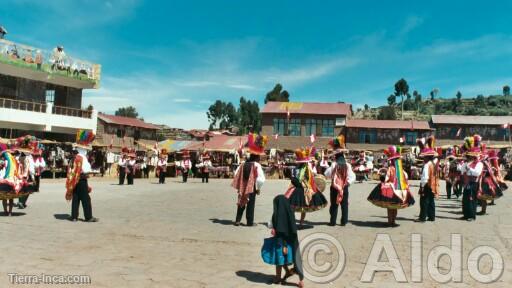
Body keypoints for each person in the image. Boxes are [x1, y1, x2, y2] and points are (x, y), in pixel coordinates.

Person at [262, 195, 304, 287]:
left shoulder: (279, 214)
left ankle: (278, 277)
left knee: (279, 259)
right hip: (292, 241)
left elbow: (281, 230)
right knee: (294, 259)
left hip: (281, 241)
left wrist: (284, 245)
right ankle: (299, 279)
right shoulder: (289, 211)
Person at [367, 146, 415, 227]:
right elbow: (406, 178)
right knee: (395, 206)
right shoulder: (401, 170)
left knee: (390, 207)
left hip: (391, 190)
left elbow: (386, 178)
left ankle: (390, 221)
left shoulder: (391, 168)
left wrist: (382, 178)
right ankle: (393, 221)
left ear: (392, 160)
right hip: (400, 190)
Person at [285, 147, 328, 228]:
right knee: (301, 208)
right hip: (302, 188)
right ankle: (299, 223)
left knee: (294, 206)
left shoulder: (303, 169)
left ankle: (295, 223)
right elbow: (309, 178)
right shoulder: (305, 168)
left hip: (300, 188)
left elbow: (300, 178)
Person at [232, 133, 266, 227]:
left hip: (243, 186)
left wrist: (241, 183)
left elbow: (236, 174)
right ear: (257, 157)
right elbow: (261, 179)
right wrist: (258, 187)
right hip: (252, 187)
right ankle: (249, 222)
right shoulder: (256, 165)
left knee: (241, 202)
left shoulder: (243, 164)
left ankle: (237, 220)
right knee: (250, 204)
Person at [325, 135, 356, 226]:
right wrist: (347, 183)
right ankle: (344, 221)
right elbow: (352, 177)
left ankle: (333, 221)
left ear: (335, 156)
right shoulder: (348, 165)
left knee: (334, 205)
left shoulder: (334, 164)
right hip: (344, 187)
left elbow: (327, 174)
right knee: (344, 205)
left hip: (334, 187)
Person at [65, 149, 98, 222]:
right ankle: (88, 217)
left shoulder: (72, 159)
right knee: (86, 199)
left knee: (76, 199)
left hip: (74, 181)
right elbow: (86, 169)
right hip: (81, 180)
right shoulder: (82, 158)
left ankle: (74, 217)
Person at [460, 135, 483, 221]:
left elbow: (477, 173)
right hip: (466, 183)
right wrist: (465, 165)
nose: (469, 157)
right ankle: (466, 214)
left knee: (472, 199)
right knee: (465, 199)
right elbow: (462, 171)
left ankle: (472, 216)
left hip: (473, 183)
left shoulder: (479, 164)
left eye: (471, 156)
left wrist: (469, 168)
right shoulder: (467, 163)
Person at [416, 136, 439, 222]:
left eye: (424, 157)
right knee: (431, 201)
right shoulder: (433, 163)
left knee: (424, 201)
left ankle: (422, 218)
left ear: (426, 157)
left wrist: (422, 187)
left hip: (426, 185)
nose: (423, 158)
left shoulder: (426, 165)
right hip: (432, 185)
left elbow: (424, 177)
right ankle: (431, 217)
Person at [477, 149, 504, 215]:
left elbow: (482, 175)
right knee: (485, 196)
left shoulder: (484, 164)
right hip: (488, 181)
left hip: (485, 181)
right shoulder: (488, 164)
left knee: (483, 197)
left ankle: (483, 211)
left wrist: (479, 185)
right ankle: (483, 210)